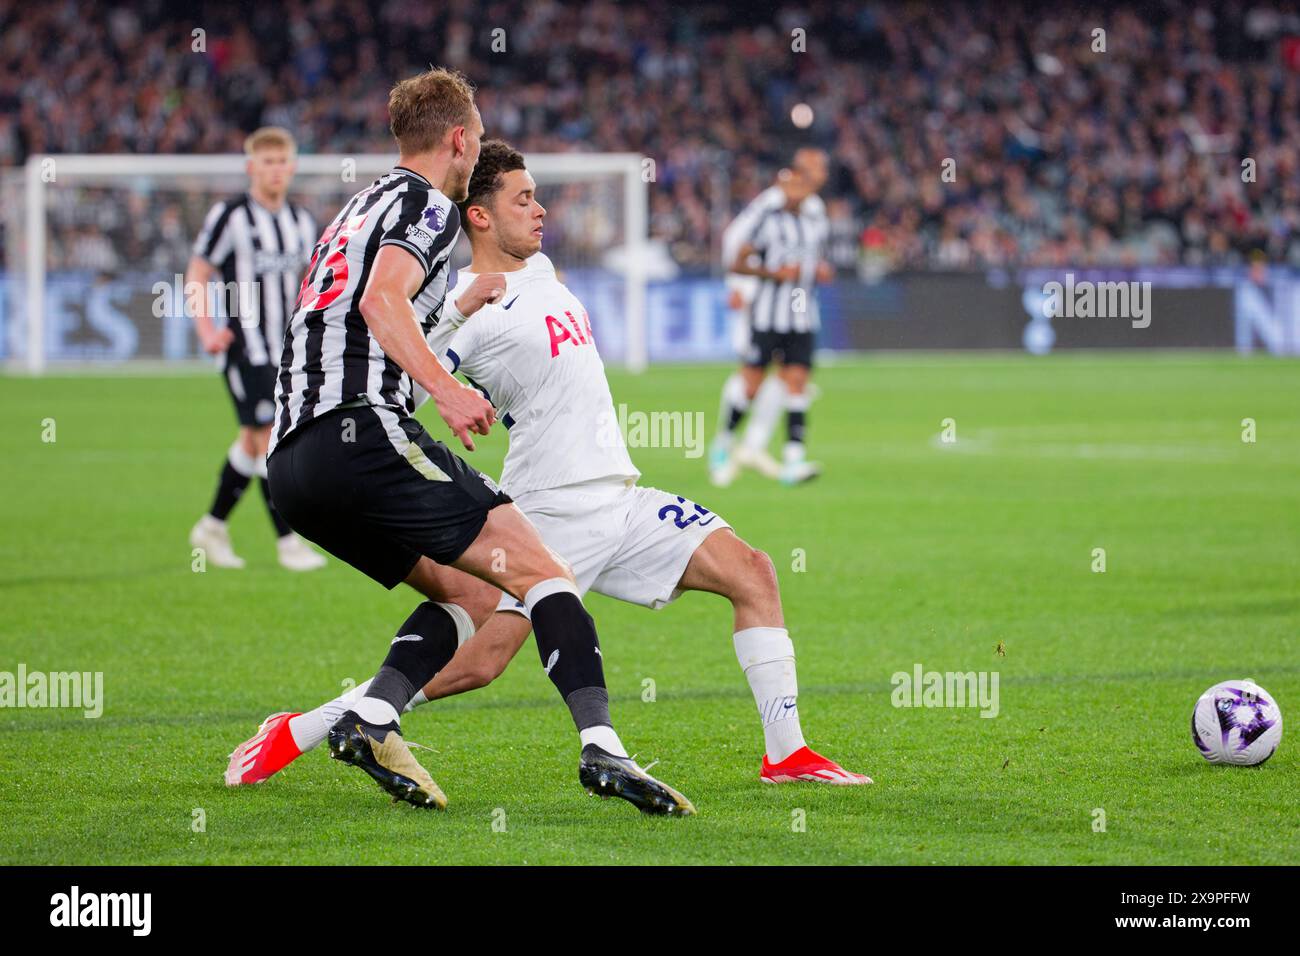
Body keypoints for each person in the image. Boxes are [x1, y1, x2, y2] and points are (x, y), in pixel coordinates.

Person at [226, 141, 871, 796]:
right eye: (523, 199)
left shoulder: (545, 271)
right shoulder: (463, 312)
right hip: (549, 509)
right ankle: (303, 729)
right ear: (479, 217)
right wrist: (451, 320)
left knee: (754, 571)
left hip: (621, 498)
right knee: (477, 663)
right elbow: (405, 394)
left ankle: (787, 754)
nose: (540, 210)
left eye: (536, 195)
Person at [258, 70, 692, 816]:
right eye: (479, 139)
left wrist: (456, 307)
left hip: (294, 463)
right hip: (359, 433)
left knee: (470, 591)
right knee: (541, 571)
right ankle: (602, 750)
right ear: (460, 139)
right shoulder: (426, 201)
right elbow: (379, 299)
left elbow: (362, 307)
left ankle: (371, 717)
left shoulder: (356, 208)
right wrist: (450, 389)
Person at [186, 127, 326, 571]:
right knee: (269, 439)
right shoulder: (230, 216)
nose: (275, 170)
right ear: (251, 168)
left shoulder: (302, 222)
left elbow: (315, 285)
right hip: (246, 348)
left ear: (292, 167)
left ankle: (211, 526)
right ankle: (288, 542)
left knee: (251, 441)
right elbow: (197, 273)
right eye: (266, 162)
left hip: (287, 352)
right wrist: (206, 330)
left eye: (282, 161)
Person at [709, 149, 833, 488]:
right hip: (762, 307)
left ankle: (788, 457)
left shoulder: (816, 212)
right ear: (798, 172)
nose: (822, 173)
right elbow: (737, 243)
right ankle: (725, 442)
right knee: (751, 381)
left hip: (803, 312)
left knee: (796, 382)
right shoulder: (769, 207)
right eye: (815, 167)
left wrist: (817, 269)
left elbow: (815, 254)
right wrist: (740, 285)